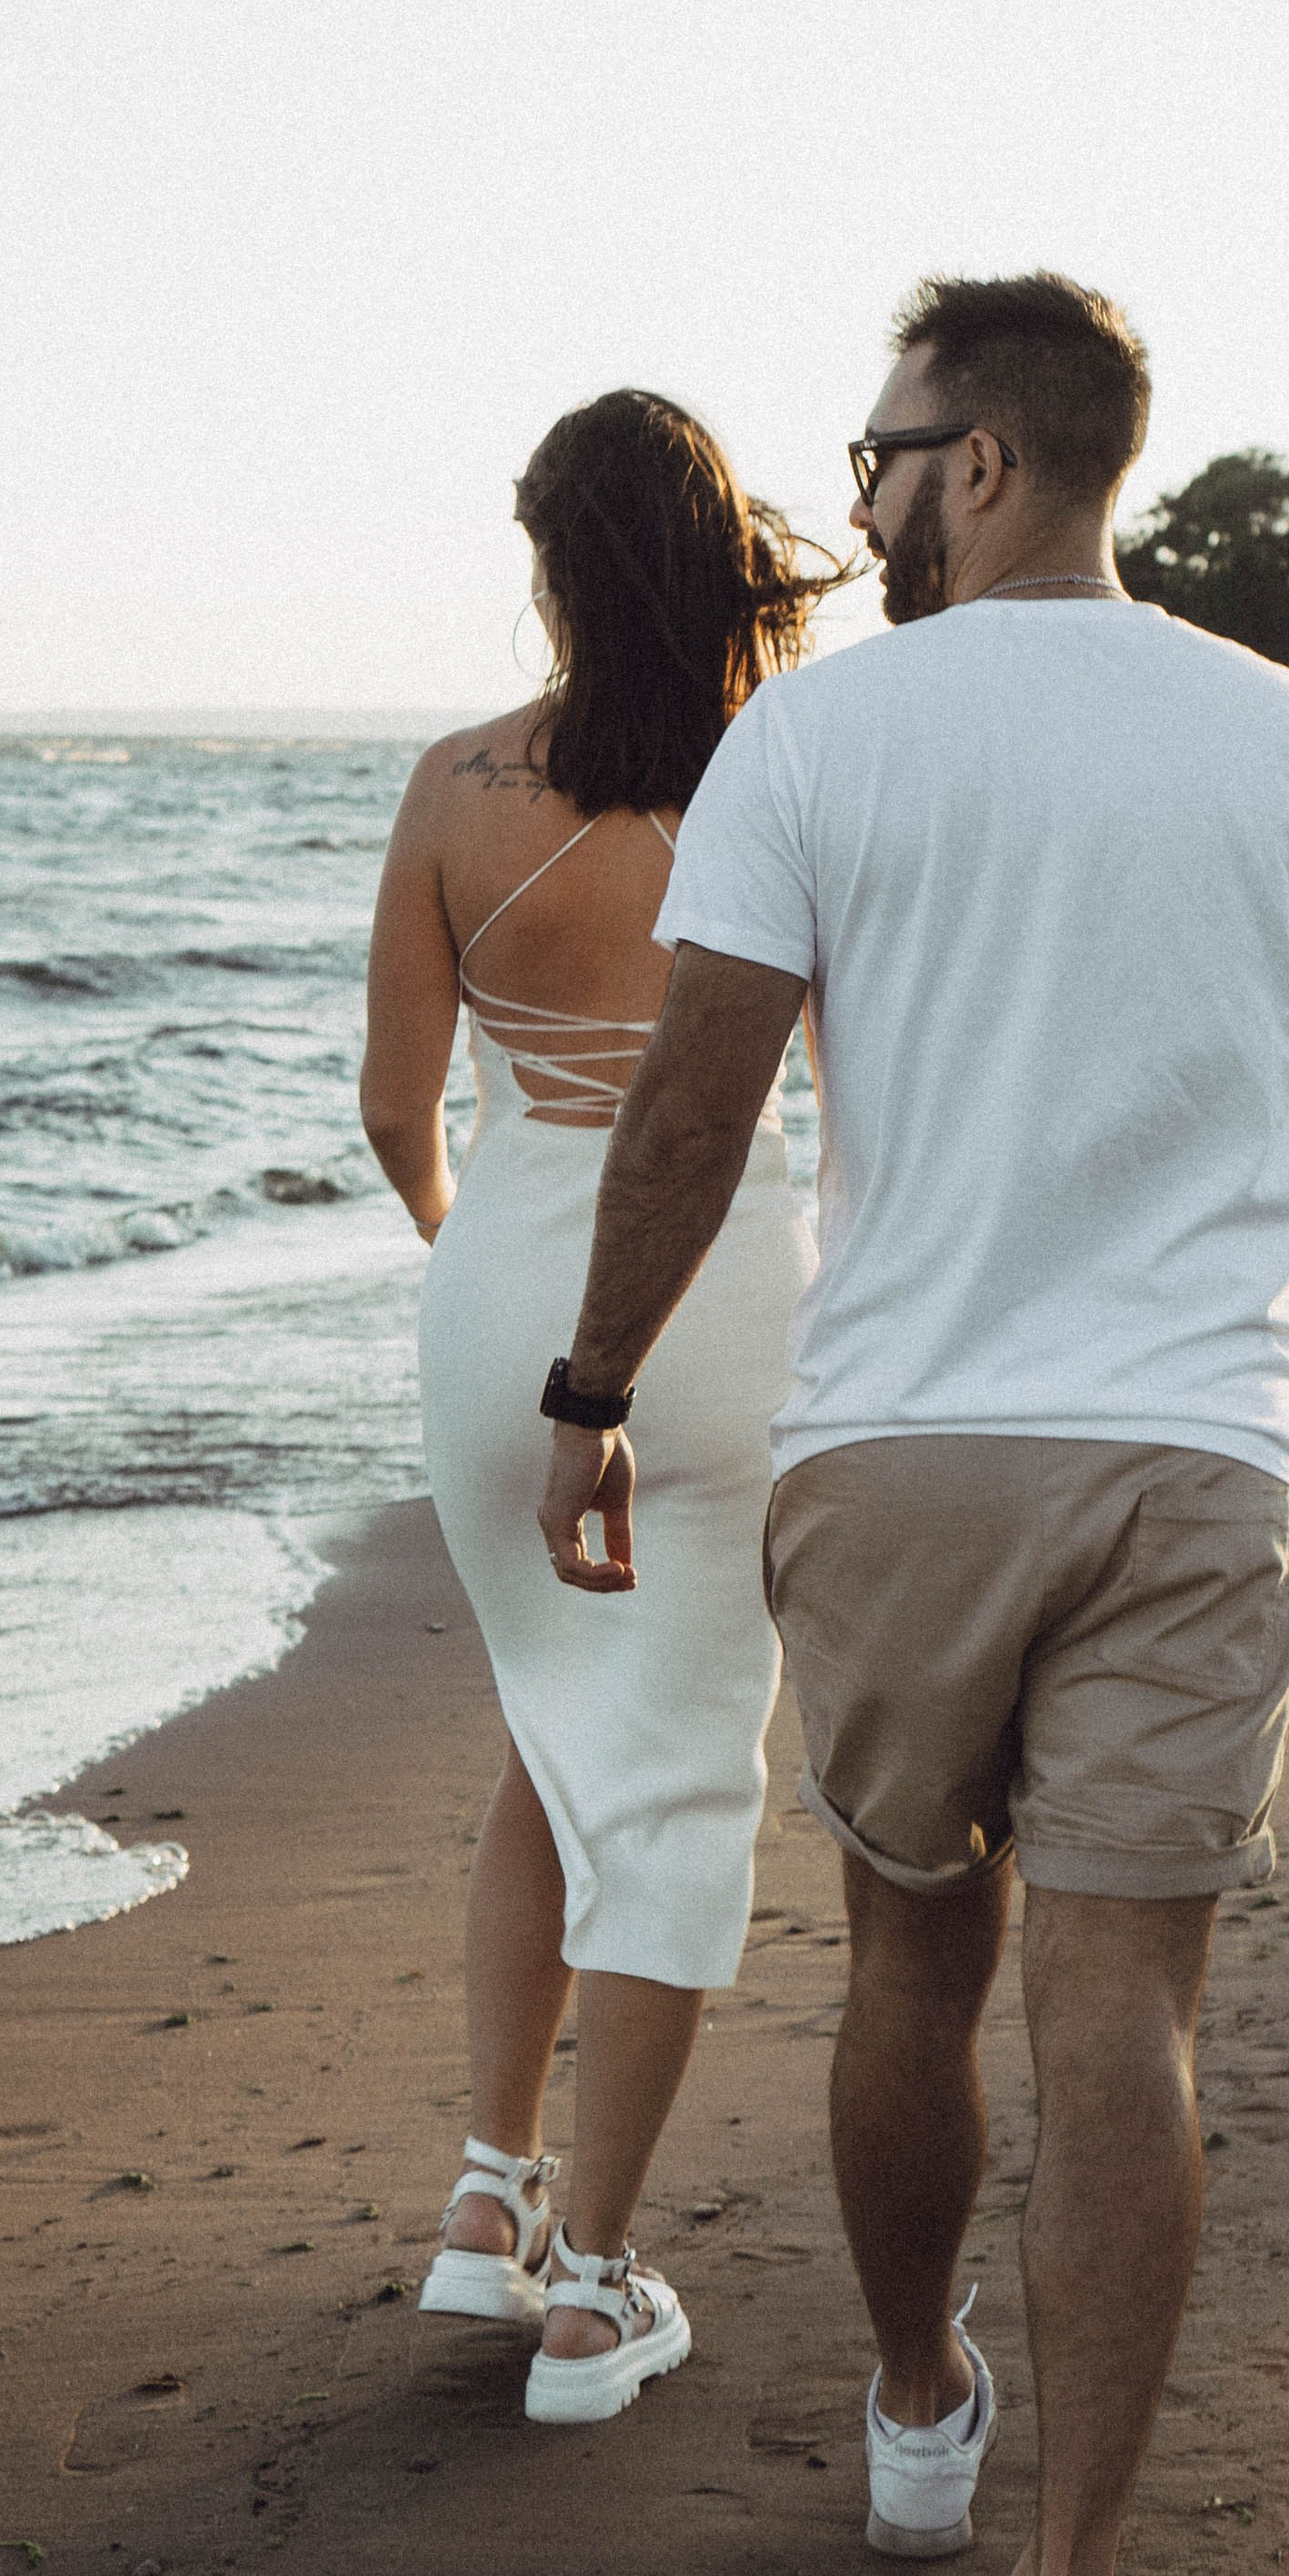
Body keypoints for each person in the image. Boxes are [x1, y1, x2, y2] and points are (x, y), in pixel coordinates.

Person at [536, 274, 1289, 2576]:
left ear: (996, 462)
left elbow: (694, 1115)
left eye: (887, 452)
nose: (867, 500)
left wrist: (590, 1395)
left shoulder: (819, 738)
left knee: (913, 1977)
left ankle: (920, 2403)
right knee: (1127, 2011)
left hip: (904, 1444)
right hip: (1192, 1455)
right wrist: (1275, 1342)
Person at [360, 388, 840, 2424]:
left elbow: (397, 1110)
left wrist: (480, 1265)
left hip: (493, 1317)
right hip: (718, 1298)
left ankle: (484, 2205)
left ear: (548, 559)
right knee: (664, 1778)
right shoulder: (783, 773)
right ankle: (593, 2286)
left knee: (553, 1741)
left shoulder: (455, 785)